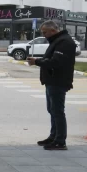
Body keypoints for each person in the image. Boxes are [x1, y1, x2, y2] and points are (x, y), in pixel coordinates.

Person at [27, 20, 76, 150]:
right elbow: (52, 59)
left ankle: (60, 141)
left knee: (57, 111)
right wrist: (39, 61)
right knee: (52, 110)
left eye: (45, 32)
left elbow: (56, 62)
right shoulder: (57, 41)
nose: (44, 35)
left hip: (58, 81)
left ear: (53, 31)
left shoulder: (64, 42)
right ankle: (53, 136)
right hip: (52, 81)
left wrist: (37, 62)